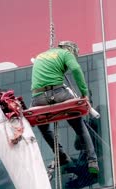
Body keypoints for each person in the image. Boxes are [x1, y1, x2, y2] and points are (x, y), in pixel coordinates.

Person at [31, 41, 99, 174]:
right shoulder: (66, 53)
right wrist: (84, 94)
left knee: (44, 128)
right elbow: (75, 69)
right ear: (71, 50)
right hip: (59, 93)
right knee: (79, 126)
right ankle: (92, 160)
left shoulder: (40, 56)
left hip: (38, 98)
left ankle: (61, 156)